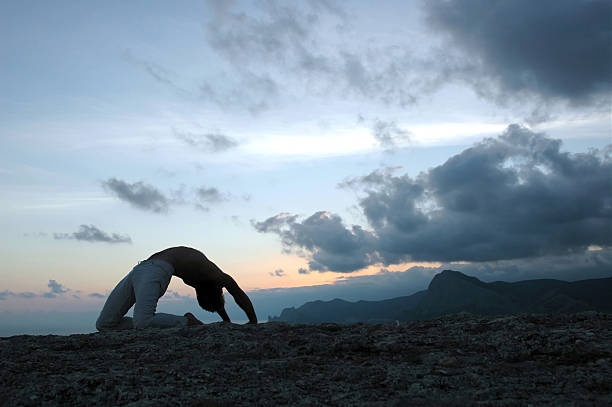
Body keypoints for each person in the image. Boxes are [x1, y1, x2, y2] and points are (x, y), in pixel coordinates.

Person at [95, 246, 257, 331]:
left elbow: (219, 303)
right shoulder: (217, 277)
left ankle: (186, 322)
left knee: (142, 322)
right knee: (104, 325)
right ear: (218, 291)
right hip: (141, 268)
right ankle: (189, 321)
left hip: (156, 269)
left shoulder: (205, 282)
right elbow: (238, 295)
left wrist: (226, 321)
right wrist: (253, 321)